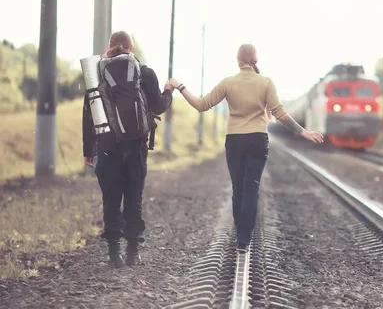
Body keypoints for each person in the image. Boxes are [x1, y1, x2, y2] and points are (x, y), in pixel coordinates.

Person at [167, 43, 323, 252]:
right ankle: (244, 239)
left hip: (235, 140)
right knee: (251, 188)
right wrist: (303, 132)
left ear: (237, 60)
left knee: (238, 189)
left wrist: (180, 86)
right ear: (255, 60)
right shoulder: (266, 83)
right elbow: (280, 114)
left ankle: (240, 233)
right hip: (258, 140)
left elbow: (201, 105)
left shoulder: (228, 83)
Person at [82, 31, 174, 268]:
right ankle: (133, 252)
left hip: (106, 148)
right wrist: (168, 91)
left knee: (111, 198)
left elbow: (88, 116)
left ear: (110, 47)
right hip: (136, 147)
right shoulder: (144, 72)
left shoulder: (96, 75)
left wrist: (87, 150)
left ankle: (114, 254)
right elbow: (158, 106)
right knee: (134, 198)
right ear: (131, 49)